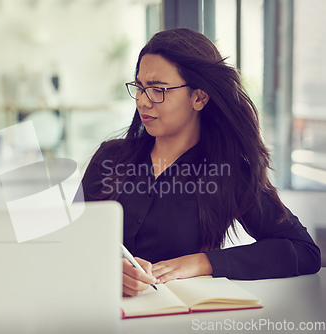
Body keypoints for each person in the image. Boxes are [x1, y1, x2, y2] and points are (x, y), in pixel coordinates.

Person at [81, 28, 321, 297]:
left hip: (182, 319)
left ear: (199, 97)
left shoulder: (229, 173)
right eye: (139, 87)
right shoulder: (110, 158)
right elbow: (70, 239)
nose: (142, 101)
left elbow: (303, 250)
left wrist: (203, 262)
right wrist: (109, 267)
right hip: (98, 308)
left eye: (158, 90)